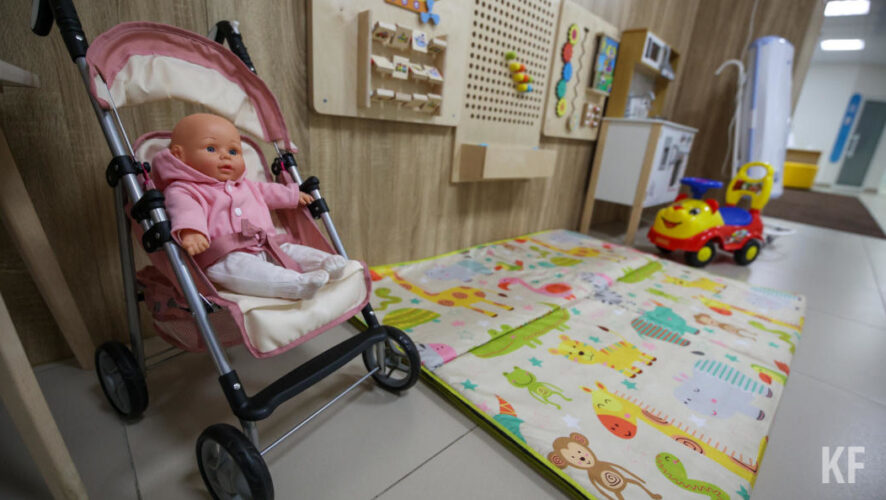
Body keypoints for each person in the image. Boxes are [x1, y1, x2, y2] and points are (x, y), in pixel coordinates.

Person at [151, 113, 346, 300]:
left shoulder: (246, 186)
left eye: (233, 151)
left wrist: (293, 195)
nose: (225, 157)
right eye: (211, 149)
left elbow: (269, 191)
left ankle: (326, 263)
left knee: (292, 250)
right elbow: (186, 210)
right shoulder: (184, 189)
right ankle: (295, 284)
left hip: (269, 244)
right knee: (242, 270)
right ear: (179, 155)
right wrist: (192, 231)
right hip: (225, 255)